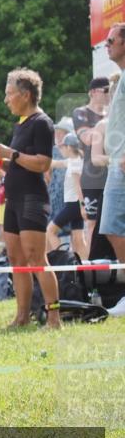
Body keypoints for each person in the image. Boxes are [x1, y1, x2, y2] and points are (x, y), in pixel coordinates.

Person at [0, 68, 60, 329]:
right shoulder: (20, 123)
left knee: (37, 259)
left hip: (33, 199)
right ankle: (21, 316)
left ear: (25, 95)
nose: (6, 100)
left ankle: (54, 317)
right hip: (13, 200)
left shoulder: (42, 122)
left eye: (9, 94)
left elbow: (42, 163)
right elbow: (18, 163)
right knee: (16, 260)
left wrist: (11, 154)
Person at [97, 23, 125, 316]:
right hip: (117, 161)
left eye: (111, 40)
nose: (107, 45)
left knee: (112, 226)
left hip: (123, 162)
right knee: (113, 227)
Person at [74, 77, 111, 247]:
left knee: (112, 222)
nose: (109, 94)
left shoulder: (111, 114)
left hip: (111, 174)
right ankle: (91, 267)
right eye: (106, 90)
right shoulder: (81, 112)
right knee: (92, 223)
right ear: (94, 92)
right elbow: (87, 138)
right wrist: (104, 127)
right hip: (92, 177)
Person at [45, 133, 87, 257]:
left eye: (62, 147)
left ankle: (63, 259)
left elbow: (78, 187)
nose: (60, 149)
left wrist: (83, 206)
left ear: (68, 147)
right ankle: (85, 266)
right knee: (78, 239)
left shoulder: (74, 164)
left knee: (50, 231)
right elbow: (55, 163)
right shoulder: (74, 161)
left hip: (74, 204)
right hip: (75, 204)